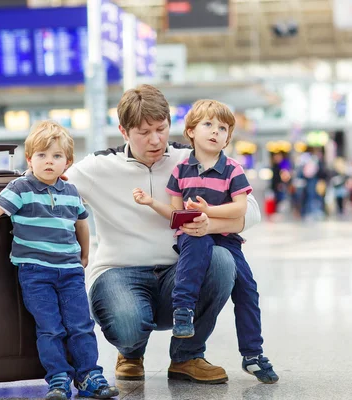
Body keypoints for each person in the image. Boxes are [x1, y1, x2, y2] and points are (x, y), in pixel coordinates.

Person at [66, 84, 277, 385]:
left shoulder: (191, 159)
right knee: (128, 324)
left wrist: (210, 226)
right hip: (118, 273)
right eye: (143, 132)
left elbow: (251, 209)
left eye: (161, 129)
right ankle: (131, 351)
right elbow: (41, 181)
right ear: (124, 132)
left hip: (179, 273)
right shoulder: (98, 167)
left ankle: (187, 356)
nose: (155, 140)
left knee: (221, 260)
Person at [0, 121, 119, 400]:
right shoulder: (20, 187)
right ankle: (59, 379)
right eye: (41, 155)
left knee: (81, 325)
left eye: (56, 156)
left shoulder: (71, 192)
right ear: (29, 159)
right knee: (50, 327)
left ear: (68, 162)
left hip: (70, 272)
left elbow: (82, 224)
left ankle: (89, 376)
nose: (48, 162)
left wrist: (85, 254)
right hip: (36, 273)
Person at [132, 99, 278, 383]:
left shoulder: (233, 169)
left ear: (228, 138)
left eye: (223, 128)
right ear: (190, 132)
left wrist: (208, 213)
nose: (215, 132)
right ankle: (183, 310)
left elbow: (240, 207)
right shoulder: (181, 171)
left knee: (248, 290)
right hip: (191, 236)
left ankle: (252, 353)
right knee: (195, 246)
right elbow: (176, 212)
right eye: (208, 125)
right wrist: (151, 203)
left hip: (227, 240)